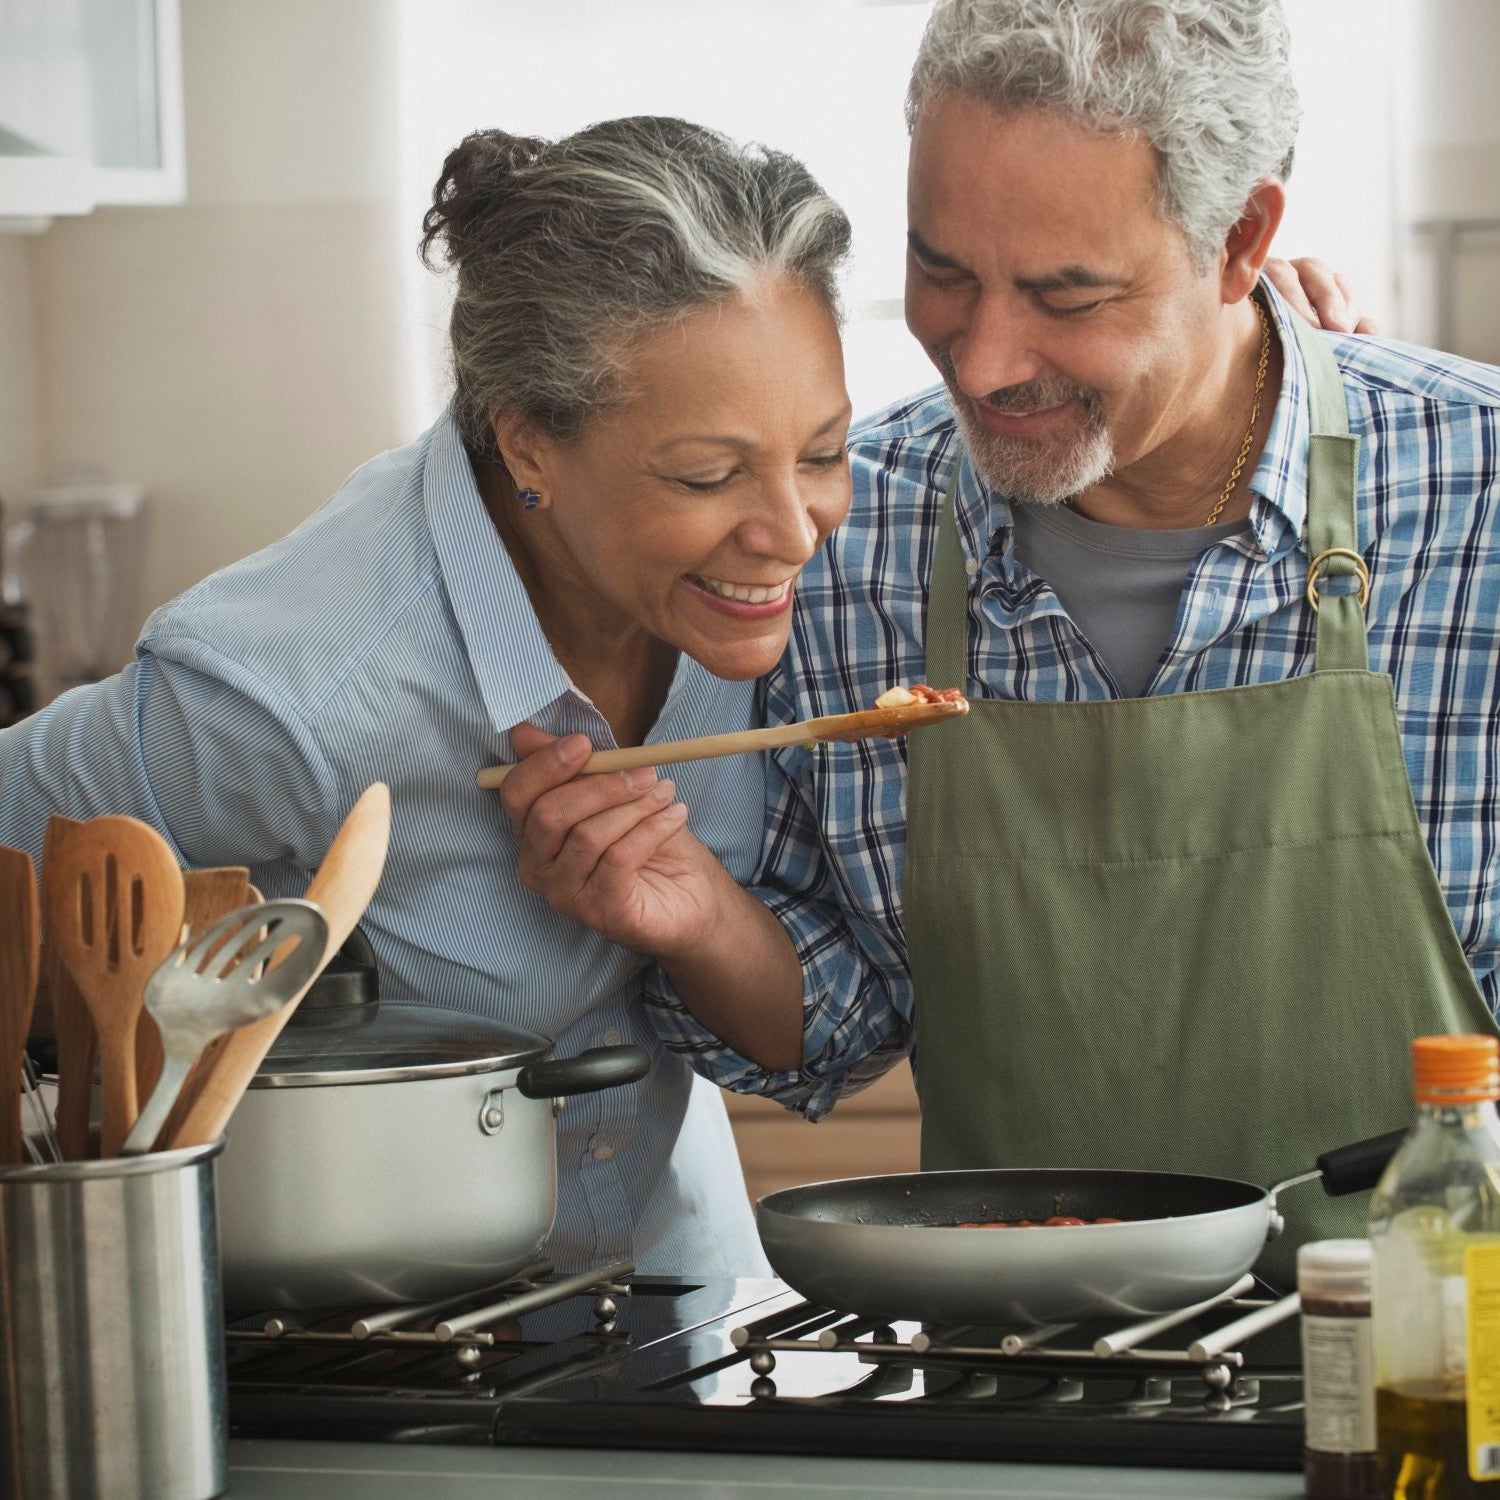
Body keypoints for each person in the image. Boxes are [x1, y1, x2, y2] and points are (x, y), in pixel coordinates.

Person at [508, 0, 1500, 1284]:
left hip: (1436, 1381)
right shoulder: (843, 534)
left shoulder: (1475, 495)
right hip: (1018, 1386)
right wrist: (697, 917)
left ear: (1242, 238)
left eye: (1062, 293)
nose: (980, 363)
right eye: (942, 272)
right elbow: (849, 1019)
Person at [0, 115, 856, 1276]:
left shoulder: (762, 603)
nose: (792, 531)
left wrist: (699, 915)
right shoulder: (291, 690)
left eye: (822, 453)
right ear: (529, 446)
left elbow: (806, 1035)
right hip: (356, 1311)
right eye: (708, 476)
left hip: (673, 1257)